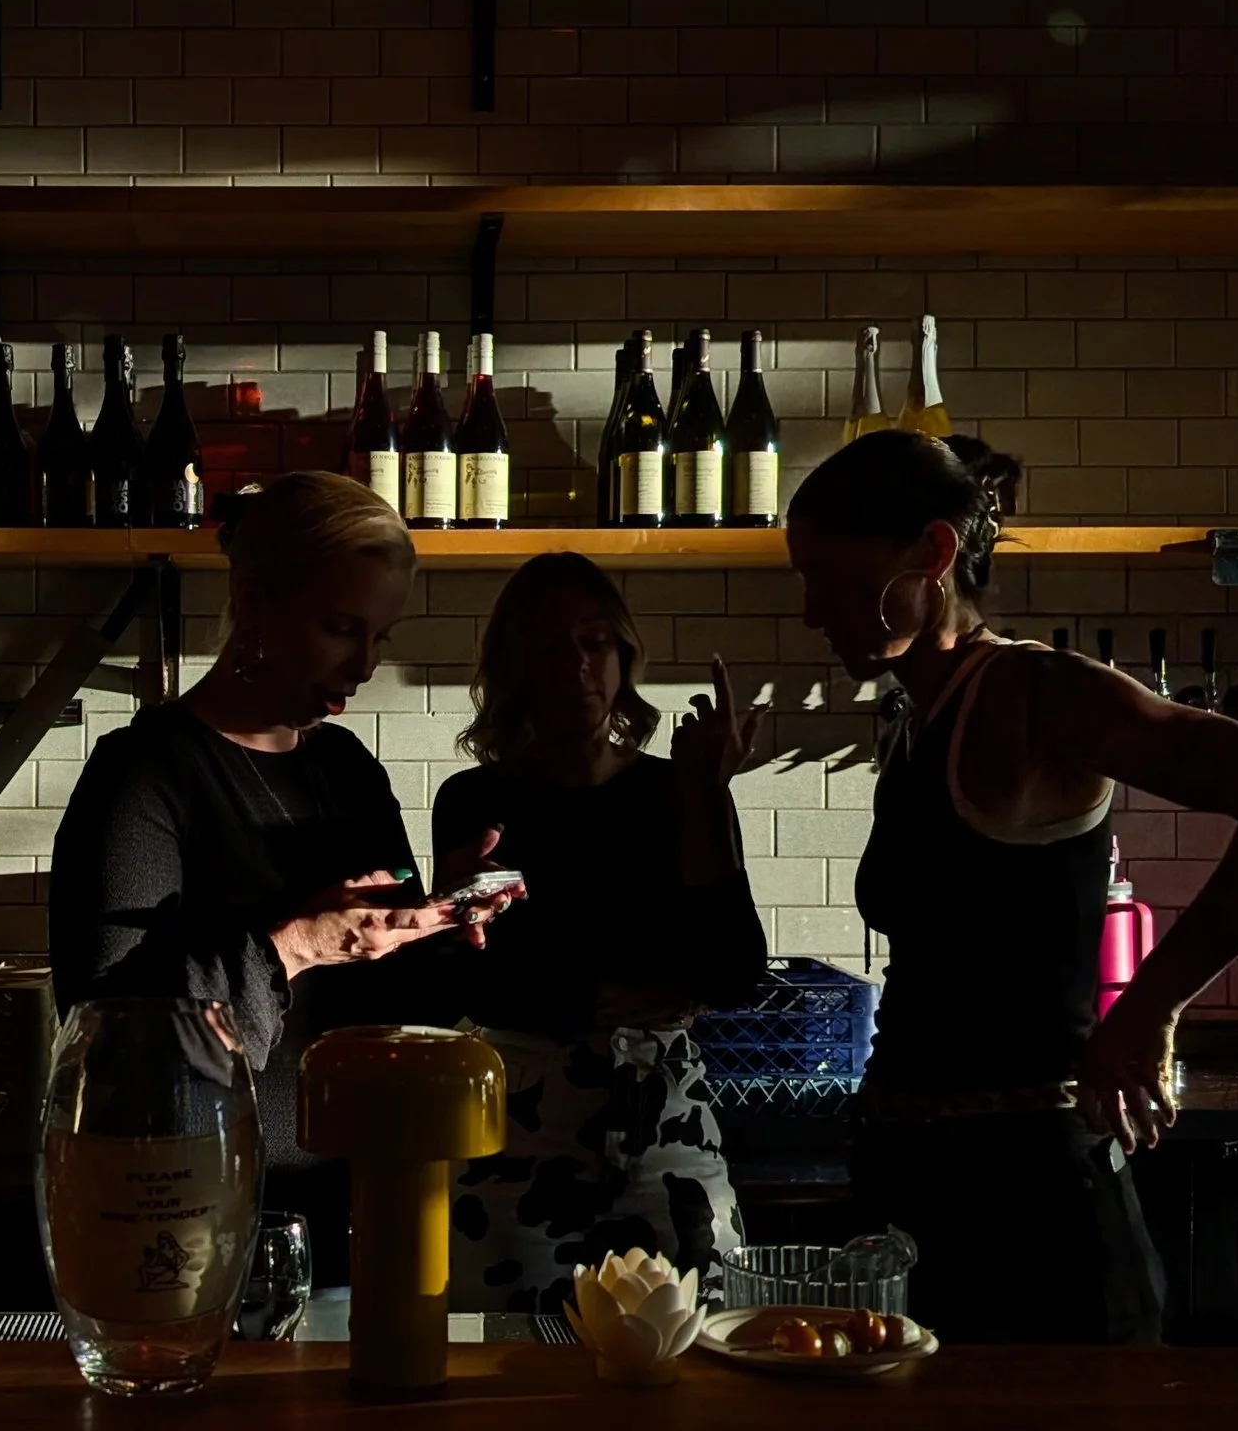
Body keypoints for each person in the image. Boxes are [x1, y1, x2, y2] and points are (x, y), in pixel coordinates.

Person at [787, 429, 1238, 1343]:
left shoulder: (1035, 694)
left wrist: (1147, 1008)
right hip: (924, 1191)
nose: (813, 609)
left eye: (826, 575)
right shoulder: (913, 721)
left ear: (932, 553)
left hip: (1036, 1212)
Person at [48, 470, 519, 1202]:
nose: (363, 665)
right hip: (199, 1206)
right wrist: (297, 944)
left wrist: (441, 923)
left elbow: (391, 1009)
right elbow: (109, 1045)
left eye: (380, 637)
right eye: (339, 628)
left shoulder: (347, 770)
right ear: (255, 604)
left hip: (365, 1198)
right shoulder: (144, 774)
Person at [427, 552, 771, 1319]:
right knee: (510, 1354)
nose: (577, 666)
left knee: (701, 1337)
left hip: (664, 1109)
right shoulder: (476, 798)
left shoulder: (669, 789)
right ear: (513, 668)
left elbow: (735, 968)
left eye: (595, 642)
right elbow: (481, 978)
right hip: (521, 1117)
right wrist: (619, 992)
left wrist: (705, 797)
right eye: (549, 646)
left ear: (621, 656)